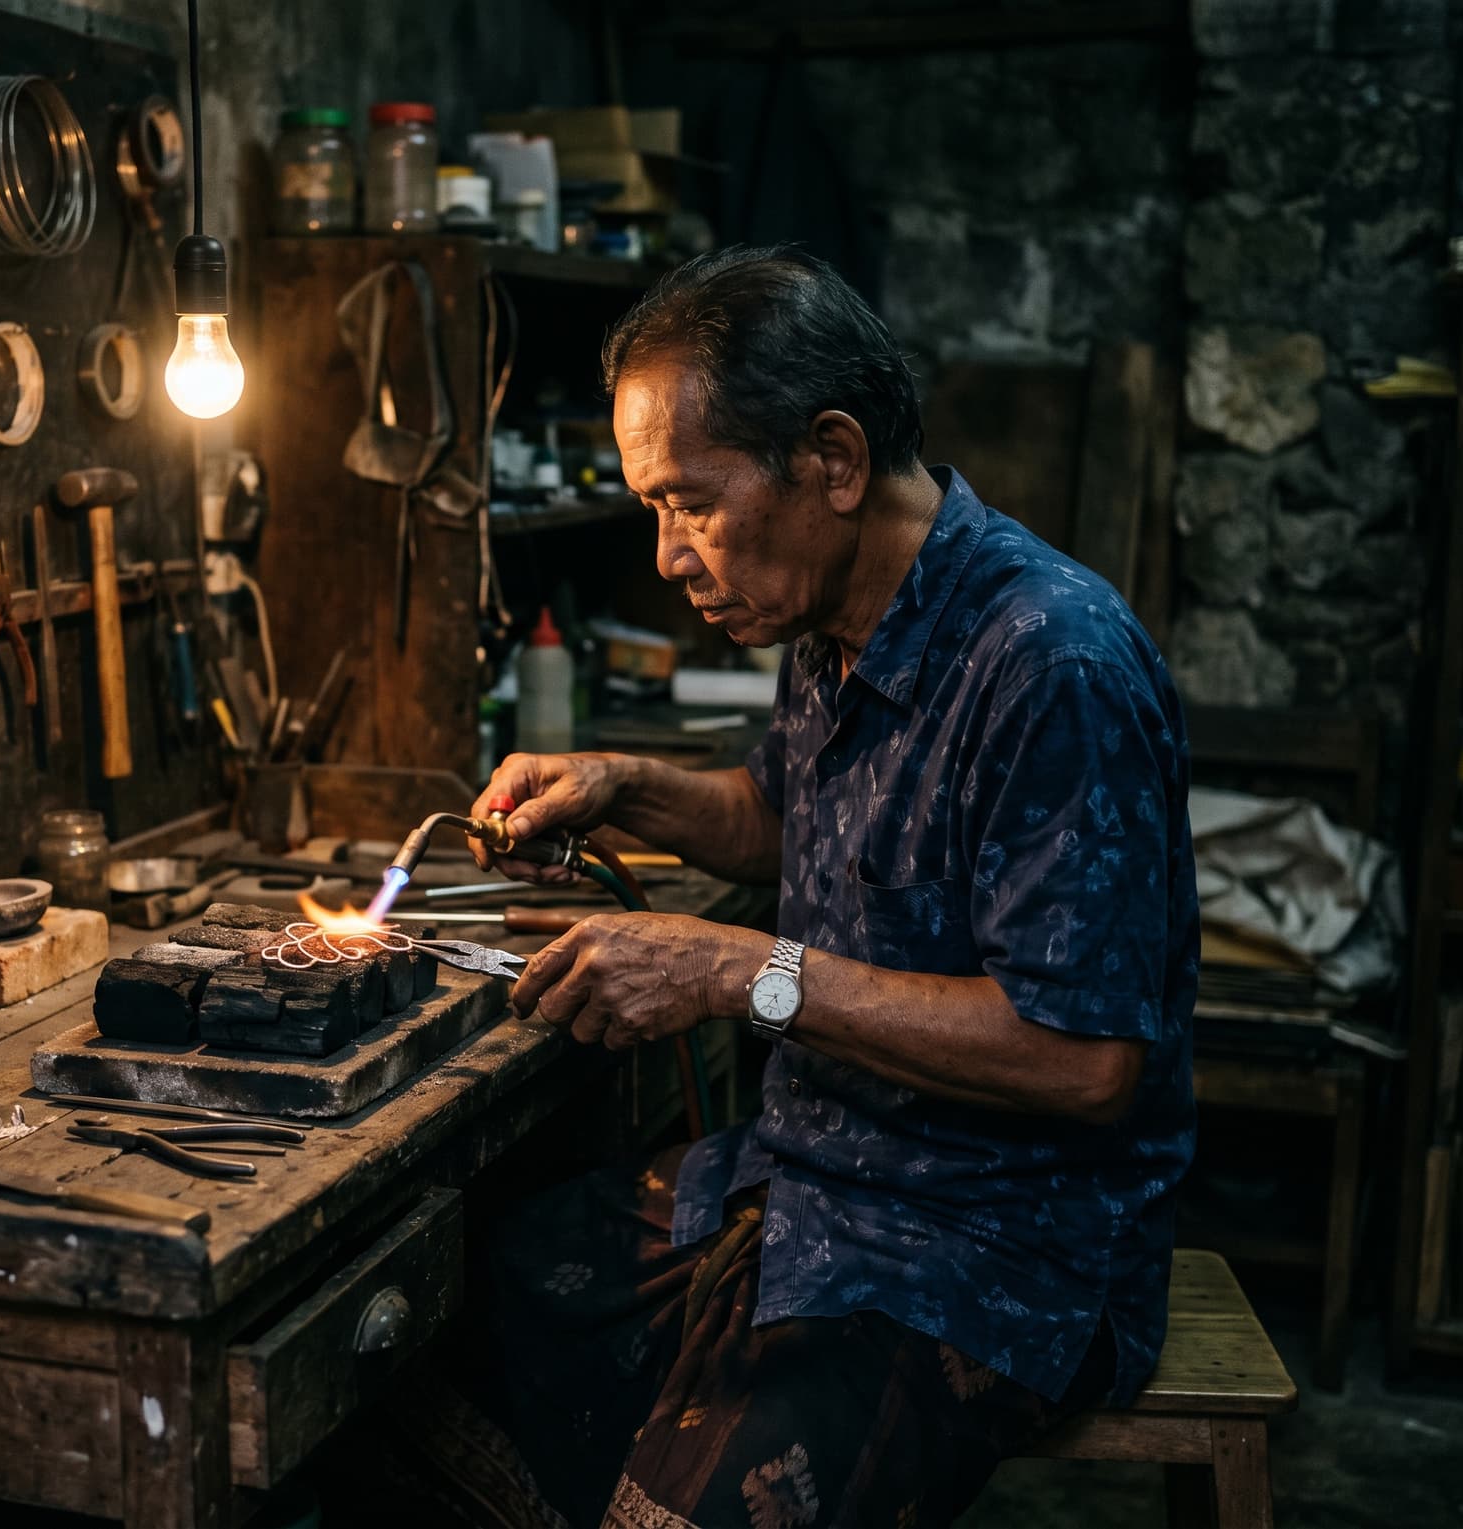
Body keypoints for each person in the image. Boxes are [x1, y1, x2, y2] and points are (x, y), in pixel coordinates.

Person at [471, 245, 1198, 1528]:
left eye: (690, 503)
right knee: (454, 1308)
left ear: (833, 460)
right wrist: (620, 784)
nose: (666, 555)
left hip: (986, 1241)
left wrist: (732, 970)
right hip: (810, 1172)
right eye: (649, 509)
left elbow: (1082, 1058)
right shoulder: (827, 614)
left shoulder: (1050, 661)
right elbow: (777, 819)